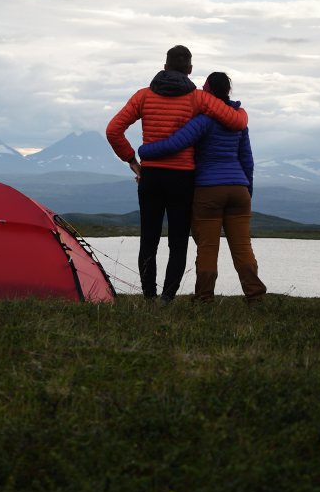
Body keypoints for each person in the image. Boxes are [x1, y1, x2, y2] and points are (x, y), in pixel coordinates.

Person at [106, 46, 249, 304]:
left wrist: (132, 161)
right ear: (190, 70)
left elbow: (113, 130)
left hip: (150, 176)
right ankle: (167, 298)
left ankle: (148, 296)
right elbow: (237, 122)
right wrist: (241, 112)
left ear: (164, 67)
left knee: (149, 238)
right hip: (183, 178)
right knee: (178, 241)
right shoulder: (198, 99)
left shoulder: (143, 96)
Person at [137, 71, 267, 305]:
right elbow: (247, 160)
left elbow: (175, 143)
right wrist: (248, 190)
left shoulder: (203, 121)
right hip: (239, 189)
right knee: (242, 246)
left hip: (209, 189)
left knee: (207, 247)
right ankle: (255, 296)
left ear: (207, 91)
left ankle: (204, 297)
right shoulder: (239, 122)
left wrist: (144, 152)